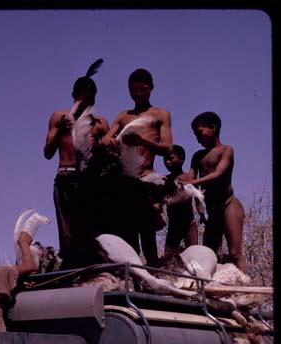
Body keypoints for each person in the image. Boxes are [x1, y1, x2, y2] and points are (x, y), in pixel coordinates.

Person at [102, 68, 173, 264]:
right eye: (133, 91)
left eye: (142, 90)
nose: (138, 94)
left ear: (151, 88)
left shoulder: (160, 114)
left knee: (148, 234)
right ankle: (136, 281)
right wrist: (109, 142)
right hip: (125, 182)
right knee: (128, 235)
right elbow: (105, 140)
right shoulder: (123, 116)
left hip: (146, 180)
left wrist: (142, 141)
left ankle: (152, 278)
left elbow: (167, 147)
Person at [44, 60, 109, 268]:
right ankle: (71, 272)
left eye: (88, 97)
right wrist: (61, 130)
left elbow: (108, 156)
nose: (83, 100)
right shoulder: (59, 117)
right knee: (67, 233)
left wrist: (105, 145)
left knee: (90, 230)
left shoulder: (100, 123)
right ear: (74, 95)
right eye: (80, 95)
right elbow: (47, 152)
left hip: (89, 180)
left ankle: (90, 271)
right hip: (65, 175)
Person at [184, 111, 246, 272]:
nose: (197, 138)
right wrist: (198, 203)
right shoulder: (197, 156)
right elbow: (190, 183)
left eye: (200, 133)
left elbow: (218, 174)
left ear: (213, 128)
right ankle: (208, 289)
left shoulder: (226, 150)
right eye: (195, 135)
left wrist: (191, 183)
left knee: (235, 253)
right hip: (212, 210)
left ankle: (248, 290)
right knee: (207, 253)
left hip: (228, 204)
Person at [162, 145, 199, 258]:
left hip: (189, 223)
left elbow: (196, 196)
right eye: (165, 160)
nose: (167, 162)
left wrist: (202, 214)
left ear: (182, 159)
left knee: (194, 255)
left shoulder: (188, 177)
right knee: (169, 256)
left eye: (171, 158)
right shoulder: (165, 180)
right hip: (173, 225)